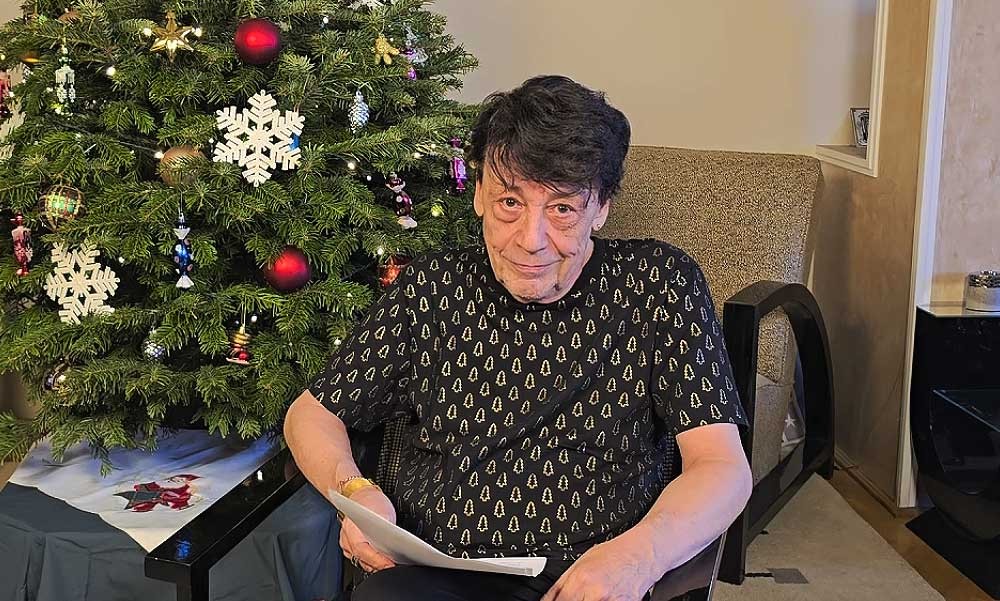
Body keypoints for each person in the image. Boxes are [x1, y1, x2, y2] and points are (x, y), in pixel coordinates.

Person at [284, 75, 752, 601]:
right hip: (429, 571)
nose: (531, 241)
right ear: (479, 194)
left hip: (586, 578)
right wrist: (354, 490)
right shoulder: (433, 287)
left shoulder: (657, 283)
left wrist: (639, 556)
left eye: (562, 209)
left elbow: (721, 466)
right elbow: (311, 415)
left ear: (600, 208)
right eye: (510, 202)